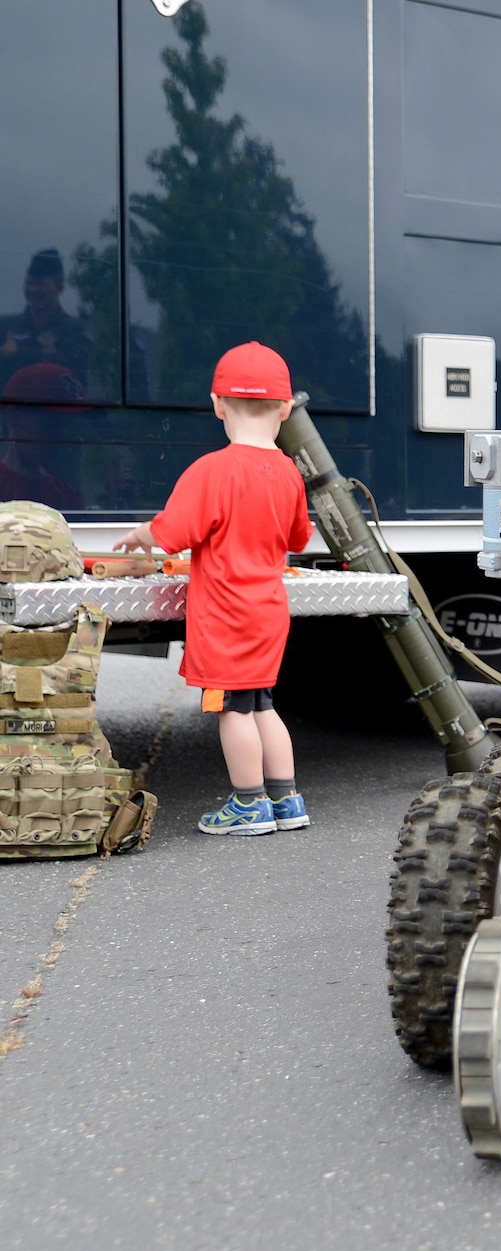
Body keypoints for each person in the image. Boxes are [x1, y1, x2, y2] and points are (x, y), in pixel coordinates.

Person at [114, 342, 314, 835]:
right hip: (268, 612)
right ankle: (286, 801)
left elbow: (173, 534)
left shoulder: (213, 470)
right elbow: (298, 538)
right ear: (286, 408)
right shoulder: (290, 472)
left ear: (218, 404)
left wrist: (140, 535)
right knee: (263, 704)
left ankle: (248, 805)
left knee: (231, 711)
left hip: (226, 617)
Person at [0, 249, 93, 393]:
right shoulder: (6, 326)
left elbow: (71, 368)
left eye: (41, 284)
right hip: (12, 412)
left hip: (58, 412)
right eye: (29, 283)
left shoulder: (75, 329)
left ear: (60, 287)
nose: (33, 290)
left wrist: (14, 354)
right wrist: (45, 355)